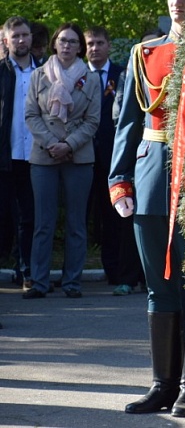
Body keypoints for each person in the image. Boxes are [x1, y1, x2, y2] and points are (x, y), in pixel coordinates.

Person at [109, 0, 185, 417]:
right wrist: (119, 180)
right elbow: (128, 124)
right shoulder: (144, 52)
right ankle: (162, 385)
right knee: (159, 287)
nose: (179, 0)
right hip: (152, 176)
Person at [23, 22, 101, 299]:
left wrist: (68, 144)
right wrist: (51, 143)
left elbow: (93, 121)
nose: (67, 46)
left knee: (76, 223)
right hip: (44, 156)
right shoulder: (38, 75)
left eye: (72, 42)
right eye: (62, 40)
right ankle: (40, 282)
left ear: (80, 47)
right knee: (43, 223)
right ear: (54, 44)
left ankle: (72, 283)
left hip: (78, 157)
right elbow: (31, 115)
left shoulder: (90, 79)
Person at [84, 27, 125, 286]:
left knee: (113, 217)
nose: (95, 48)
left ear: (108, 45)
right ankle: (73, 274)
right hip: (81, 155)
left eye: (99, 43)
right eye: (90, 43)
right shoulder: (76, 74)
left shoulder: (121, 74)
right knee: (83, 216)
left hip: (112, 155)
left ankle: (115, 271)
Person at [0, 17, 38, 288]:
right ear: (6, 41)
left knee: (29, 218)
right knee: (3, 217)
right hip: (5, 157)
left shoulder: (46, 71)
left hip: (35, 157)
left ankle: (26, 271)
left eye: (25, 35)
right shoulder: (1, 71)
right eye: (15, 36)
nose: (21, 40)